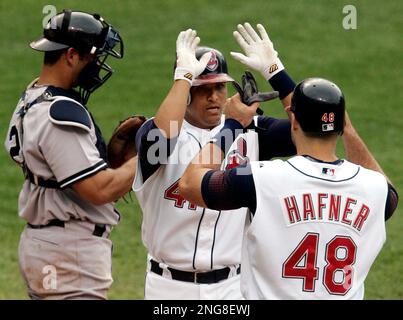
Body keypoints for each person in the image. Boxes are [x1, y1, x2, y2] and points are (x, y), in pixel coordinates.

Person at [179, 27, 398, 300]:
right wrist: (346, 127)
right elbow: (387, 187)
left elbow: (189, 183)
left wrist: (232, 125)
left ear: (293, 120)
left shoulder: (262, 180)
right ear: (341, 126)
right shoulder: (375, 190)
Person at [132, 28, 296, 299]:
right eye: (202, 88)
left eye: (219, 87)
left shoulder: (252, 131)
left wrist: (276, 73)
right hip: (170, 288)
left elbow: (310, 130)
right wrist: (184, 77)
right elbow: (163, 136)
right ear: (184, 92)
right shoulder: (158, 134)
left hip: (232, 287)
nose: (214, 97)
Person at [4, 9, 134, 299]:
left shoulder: (32, 96)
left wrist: (108, 161)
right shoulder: (59, 113)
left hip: (49, 246)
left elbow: (59, 170)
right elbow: (98, 190)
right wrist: (144, 158)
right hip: (68, 256)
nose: (98, 66)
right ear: (72, 56)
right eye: (94, 57)